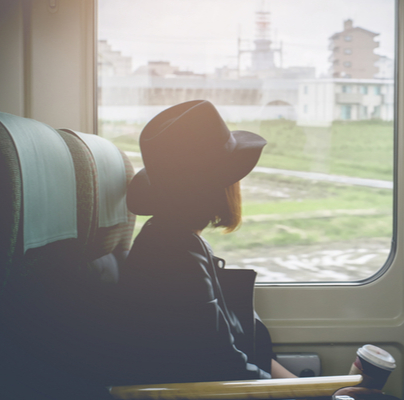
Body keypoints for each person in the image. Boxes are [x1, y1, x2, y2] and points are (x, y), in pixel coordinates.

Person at [112, 100, 296, 384]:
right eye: (234, 175)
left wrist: (306, 388)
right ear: (215, 188)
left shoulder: (170, 238)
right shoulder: (174, 255)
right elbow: (226, 369)